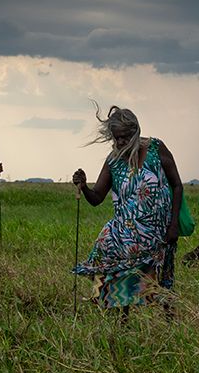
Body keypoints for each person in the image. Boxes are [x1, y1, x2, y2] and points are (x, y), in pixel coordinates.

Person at [71, 106, 183, 317]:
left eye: (125, 137)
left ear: (136, 132)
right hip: (125, 234)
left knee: (162, 279)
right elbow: (97, 198)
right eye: (117, 138)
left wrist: (173, 224)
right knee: (117, 268)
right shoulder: (113, 160)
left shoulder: (155, 149)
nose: (121, 142)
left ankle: (170, 321)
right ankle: (123, 320)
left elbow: (177, 185)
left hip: (158, 233)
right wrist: (84, 186)